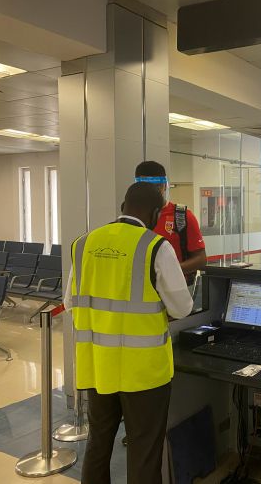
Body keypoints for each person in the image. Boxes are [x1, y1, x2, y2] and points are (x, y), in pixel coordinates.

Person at [64, 182, 193, 484]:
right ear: (156, 213)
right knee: (144, 451)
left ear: (122, 207)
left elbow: (70, 304)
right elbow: (183, 307)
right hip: (143, 373)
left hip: (97, 366)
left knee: (98, 444)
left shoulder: (83, 243)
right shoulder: (155, 246)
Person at [134, 161, 207, 282]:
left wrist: (168, 270)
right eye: (144, 188)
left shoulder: (182, 216)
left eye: (156, 187)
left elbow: (201, 259)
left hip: (174, 288)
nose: (151, 192)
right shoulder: (132, 218)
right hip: (140, 288)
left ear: (164, 186)